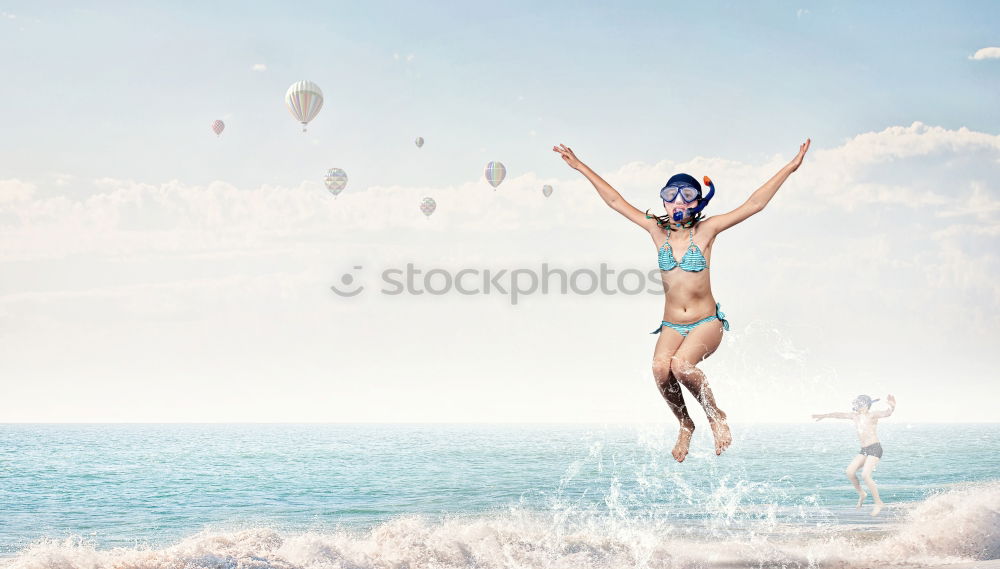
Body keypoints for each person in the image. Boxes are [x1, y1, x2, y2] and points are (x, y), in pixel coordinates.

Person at [553, 140, 811, 461]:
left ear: (697, 204)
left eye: (687, 196)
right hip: (672, 324)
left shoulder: (706, 231)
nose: (678, 202)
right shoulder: (656, 231)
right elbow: (616, 201)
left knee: (681, 366)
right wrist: (579, 166)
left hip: (706, 323)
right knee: (661, 369)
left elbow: (754, 203)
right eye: (671, 195)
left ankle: (715, 415)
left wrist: (790, 166)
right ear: (663, 201)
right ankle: (685, 423)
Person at [812, 394, 897, 516]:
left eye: (861, 404)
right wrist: (824, 416)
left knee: (865, 475)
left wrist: (892, 407)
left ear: (867, 405)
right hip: (864, 450)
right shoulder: (855, 416)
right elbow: (838, 414)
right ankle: (862, 493)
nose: (858, 407)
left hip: (875, 448)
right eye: (857, 405)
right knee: (850, 472)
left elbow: (887, 413)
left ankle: (879, 503)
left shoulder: (872, 415)